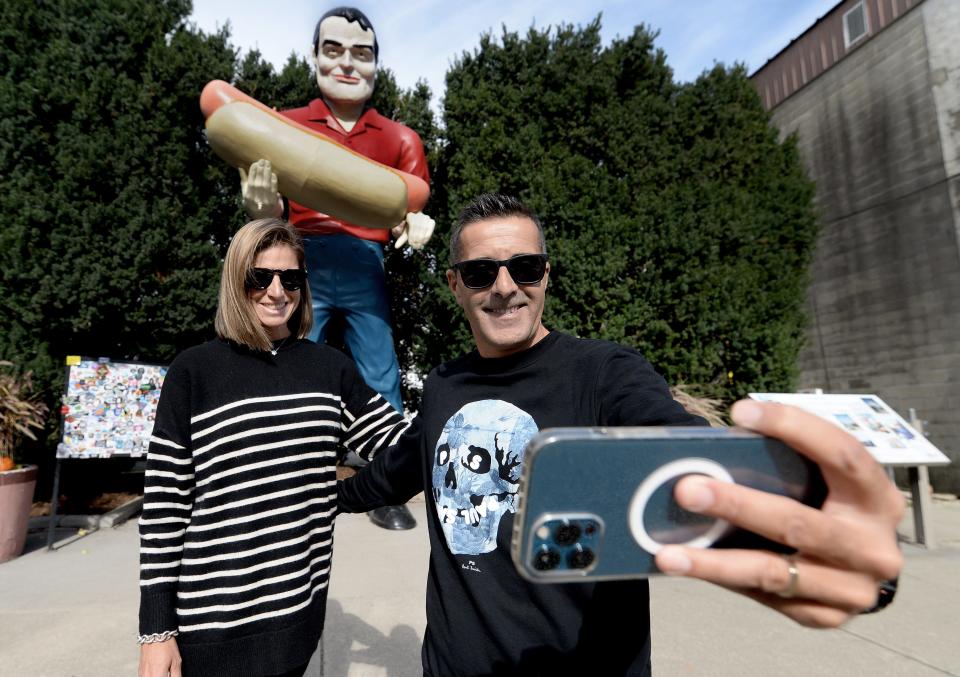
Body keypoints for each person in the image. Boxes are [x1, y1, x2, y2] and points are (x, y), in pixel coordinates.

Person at [338, 193, 906, 676]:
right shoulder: (443, 385)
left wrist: (815, 524)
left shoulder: (607, 373)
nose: (505, 287)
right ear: (456, 285)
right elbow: (393, 474)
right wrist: (315, 488)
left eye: (525, 268)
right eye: (482, 272)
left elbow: (683, 457)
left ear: (546, 276)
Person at [137, 219, 410, 677]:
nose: (276, 291)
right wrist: (156, 632)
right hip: (208, 629)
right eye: (258, 277)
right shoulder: (194, 372)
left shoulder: (329, 371)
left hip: (297, 622)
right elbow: (165, 510)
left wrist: (344, 497)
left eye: (291, 279)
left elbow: (399, 445)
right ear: (235, 281)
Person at [241, 6, 432, 531]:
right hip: (301, 258)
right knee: (286, 361)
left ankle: (384, 482)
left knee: (379, 369)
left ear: (376, 65)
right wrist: (262, 209)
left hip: (364, 263)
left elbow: (410, 207)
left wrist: (412, 229)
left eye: (361, 53)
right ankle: (276, 479)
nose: (347, 63)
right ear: (315, 58)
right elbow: (272, 212)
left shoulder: (399, 139)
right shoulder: (285, 126)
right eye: (334, 50)